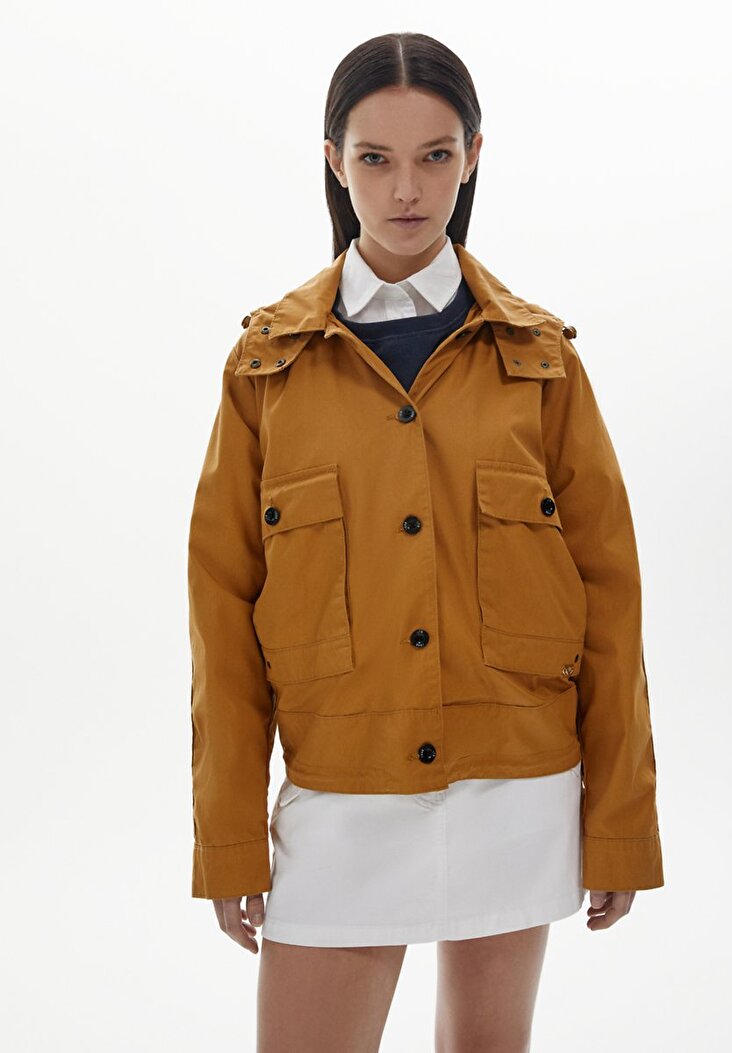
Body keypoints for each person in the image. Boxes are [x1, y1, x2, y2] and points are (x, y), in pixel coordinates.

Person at [187, 31, 665, 1053]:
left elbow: (610, 595)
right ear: (334, 161)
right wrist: (228, 834)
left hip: (516, 784)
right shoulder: (266, 367)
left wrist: (620, 818)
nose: (406, 189)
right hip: (341, 791)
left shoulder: (540, 361)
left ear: (473, 156)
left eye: (435, 155)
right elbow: (220, 614)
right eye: (375, 158)